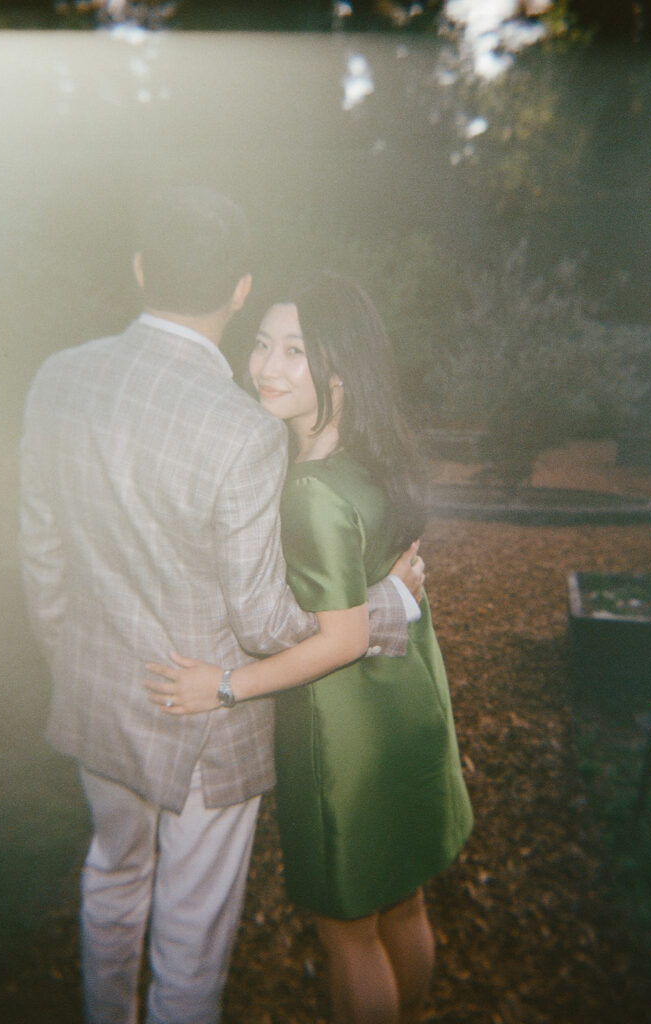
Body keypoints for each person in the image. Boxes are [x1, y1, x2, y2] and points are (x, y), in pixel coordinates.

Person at [17, 187, 422, 1024]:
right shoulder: (242, 429)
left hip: (98, 695)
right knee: (192, 936)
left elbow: (40, 553)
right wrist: (386, 604)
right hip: (207, 726)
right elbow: (262, 620)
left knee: (111, 873)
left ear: (139, 270)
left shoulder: (58, 380)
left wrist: (71, 655)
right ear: (240, 291)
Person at [146, 272, 473, 1024]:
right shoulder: (377, 456)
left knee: (348, 932)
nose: (266, 367)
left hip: (344, 736)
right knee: (401, 903)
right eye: (261, 344)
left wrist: (221, 685)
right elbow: (383, 597)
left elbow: (341, 639)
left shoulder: (310, 492)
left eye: (295, 351)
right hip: (409, 706)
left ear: (341, 365)